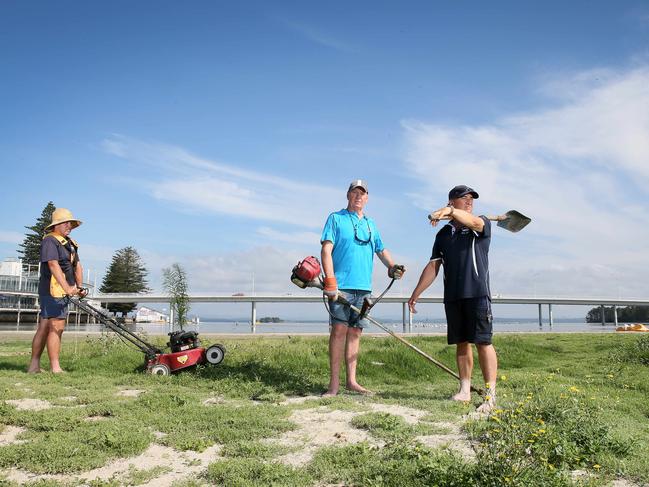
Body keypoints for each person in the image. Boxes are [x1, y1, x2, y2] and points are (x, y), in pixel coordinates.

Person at [408, 185, 497, 412]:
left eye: (471, 199)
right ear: (451, 201)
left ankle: (490, 396)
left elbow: (474, 222)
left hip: (477, 294)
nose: (469, 202)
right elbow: (433, 266)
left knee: (483, 342)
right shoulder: (443, 234)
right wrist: (416, 293)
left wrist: (448, 212)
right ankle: (465, 390)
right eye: (464, 198)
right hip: (453, 296)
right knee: (461, 343)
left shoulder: (481, 224)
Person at [320, 179, 404, 396]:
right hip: (341, 287)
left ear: (367, 198)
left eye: (362, 193)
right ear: (348, 195)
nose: (358, 196)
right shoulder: (336, 218)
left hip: (364, 289)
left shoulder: (370, 224)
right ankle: (334, 385)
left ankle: (352, 381)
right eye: (354, 192)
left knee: (356, 333)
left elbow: (381, 250)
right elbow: (326, 250)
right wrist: (330, 279)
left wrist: (393, 266)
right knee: (339, 331)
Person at [28, 208, 86, 373]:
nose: (69, 226)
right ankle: (55, 368)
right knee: (56, 326)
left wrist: (79, 287)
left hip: (63, 292)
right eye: (66, 223)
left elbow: (77, 267)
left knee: (46, 326)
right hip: (52, 291)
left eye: (71, 224)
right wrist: (67, 287)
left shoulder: (70, 244)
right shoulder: (50, 241)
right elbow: (53, 265)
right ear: (57, 224)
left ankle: (34, 367)